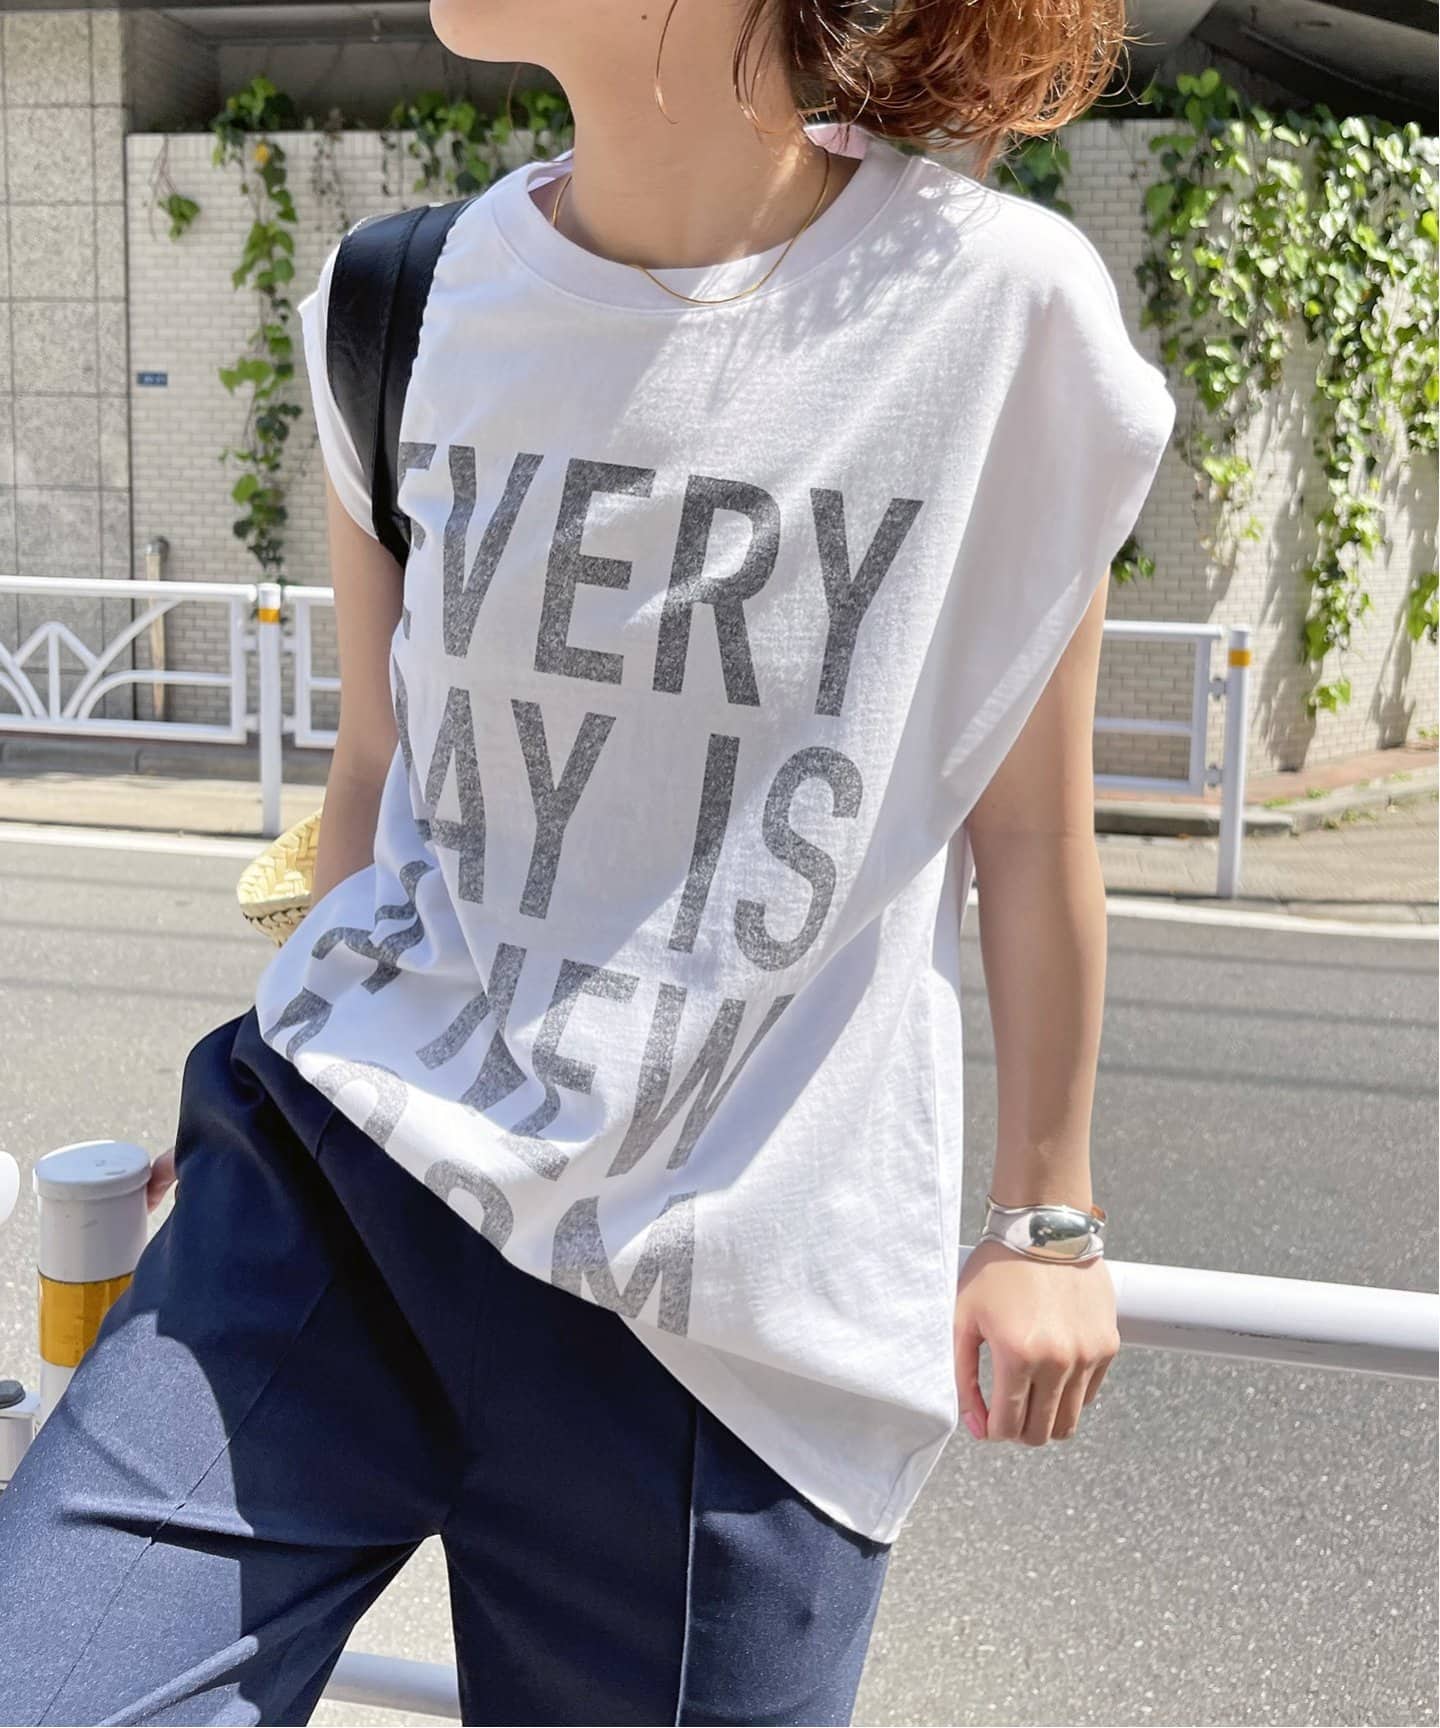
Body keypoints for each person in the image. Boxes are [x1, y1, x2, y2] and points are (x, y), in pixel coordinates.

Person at [0, 0, 1177, 1722]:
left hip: (722, 1324)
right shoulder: (402, 299)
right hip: (334, 1193)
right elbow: (379, 766)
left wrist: (1044, 1219)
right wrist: (289, 1032)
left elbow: (1029, 825)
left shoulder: (999, 313)